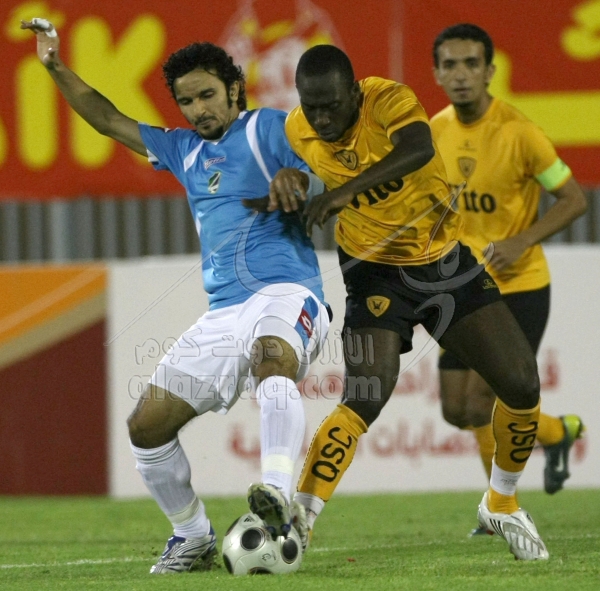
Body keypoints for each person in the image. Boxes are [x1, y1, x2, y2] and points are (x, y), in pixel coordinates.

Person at [22, 18, 330, 573]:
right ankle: (192, 536)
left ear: (234, 88)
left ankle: (277, 494)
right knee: (146, 427)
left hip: (286, 292)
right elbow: (107, 118)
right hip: (224, 313)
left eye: (207, 95)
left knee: (272, 358)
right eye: (186, 101)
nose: (197, 110)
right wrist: (54, 66)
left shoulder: (267, 127)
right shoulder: (182, 150)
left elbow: (326, 173)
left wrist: (301, 182)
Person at [247, 44, 550, 561]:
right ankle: (300, 519)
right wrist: (291, 184)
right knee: (365, 394)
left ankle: (500, 502)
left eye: (332, 106)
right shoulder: (297, 128)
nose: (322, 119)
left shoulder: (387, 100)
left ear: (354, 93)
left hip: (445, 264)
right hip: (372, 272)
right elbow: (297, 175)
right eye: (311, 107)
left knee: (522, 383)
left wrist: (343, 192)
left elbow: (418, 149)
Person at [430, 23, 587, 535]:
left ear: (489, 71)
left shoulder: (520, 133)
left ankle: (499, 506)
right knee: (456, 409)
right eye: (450, 65)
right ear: (436, 73)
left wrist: (524, 239)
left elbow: (573, 199)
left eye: (470, 64)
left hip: (518, 286)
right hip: (462, 287)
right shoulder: (433, 132)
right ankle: (557, 432)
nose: (460, 74)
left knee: (483, 399)